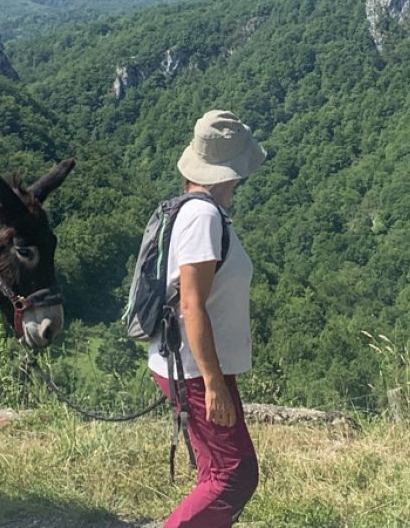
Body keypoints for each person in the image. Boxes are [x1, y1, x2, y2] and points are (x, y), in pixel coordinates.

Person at [149, 109, 266, 528]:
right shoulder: (202, 217)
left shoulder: (199, 211)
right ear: (229, 171)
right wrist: (214, 383)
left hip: (199, 364)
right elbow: (191, 306)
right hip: (198, 370)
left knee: (215, 472)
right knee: (233, 477)